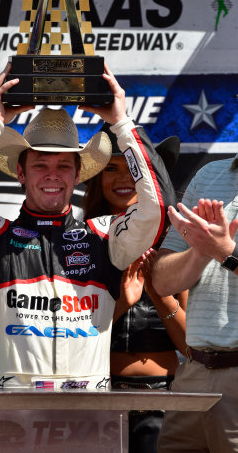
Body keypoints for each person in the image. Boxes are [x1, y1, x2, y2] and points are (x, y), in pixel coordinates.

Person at [0, 62, 176, 390]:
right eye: (40, 164)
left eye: (64, 165)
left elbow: (159, 208)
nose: (52, 174)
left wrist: (122, 124)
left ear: (78, 175)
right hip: (16, 417)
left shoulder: (104, 237)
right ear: (21, 174)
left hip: (91, 417)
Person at [83, 123, 187, 453]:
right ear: (97, 178)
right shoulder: (81, 241)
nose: (124, 178)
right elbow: (66, 341)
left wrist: (160, 294)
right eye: (110, 168)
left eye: (133, 167)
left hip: (164, 403)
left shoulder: (176, 243)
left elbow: (191, 347)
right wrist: (121, 303)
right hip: (94, 402)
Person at [152, 155, 238, 453]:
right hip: (194, 372)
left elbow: (224, 251)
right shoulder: (210, 174)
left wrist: (226, 253)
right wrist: (200, 253)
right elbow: (163, 281)